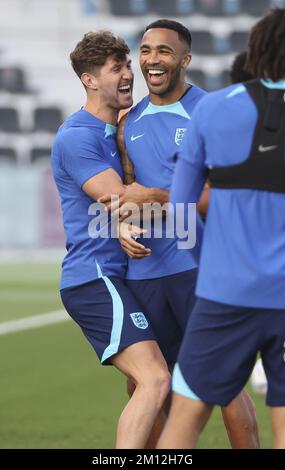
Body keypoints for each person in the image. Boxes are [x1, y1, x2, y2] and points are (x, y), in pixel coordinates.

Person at [99, 19, 259, 448]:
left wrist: (153, 194)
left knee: (222, 383)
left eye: (164, 51)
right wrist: (123, 222)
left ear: (185, 59)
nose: (152, 59)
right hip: (146, 270)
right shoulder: (127, 121)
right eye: (146, 50)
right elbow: (126, 189)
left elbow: (224, 196)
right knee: (146, 386)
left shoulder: (213, 113)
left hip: (200, 266)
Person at [158, 8, 285, 449]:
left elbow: (179, 209)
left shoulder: (211, 108)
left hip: (225, 293)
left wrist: (207, 266)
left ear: (258, 49)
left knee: (183, 423)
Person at [51, 31, 170, 449]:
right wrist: (203, 202)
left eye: (126, 65)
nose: (128, 74)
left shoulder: (121, 129)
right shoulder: (77, 136)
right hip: (94, 278)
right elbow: (124, 201)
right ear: (90, 80)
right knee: (156, 379)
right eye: (115, 68)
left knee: (148, 387)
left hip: (125, 276)